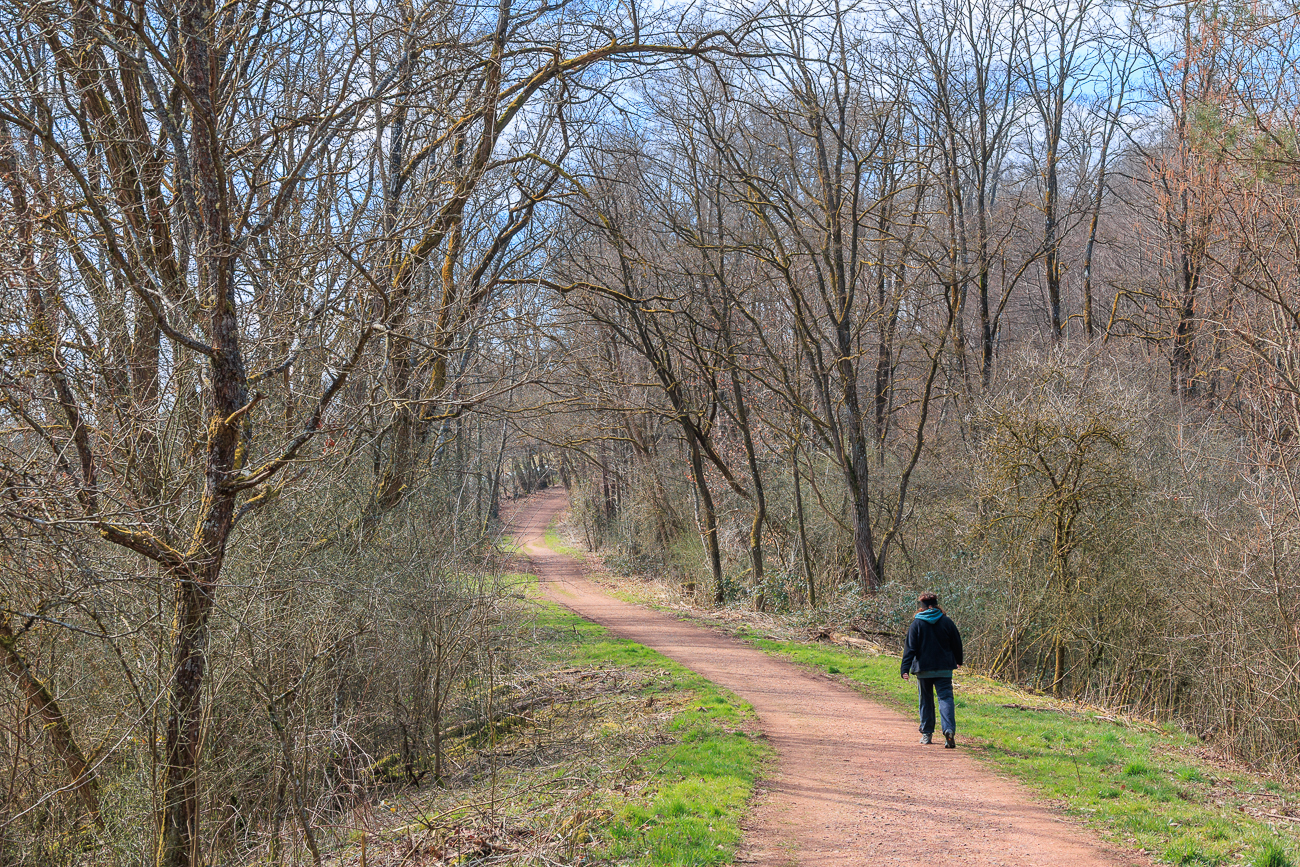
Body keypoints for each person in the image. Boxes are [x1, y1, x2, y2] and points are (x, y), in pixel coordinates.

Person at [900, 592, 964, 748]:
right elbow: (957, 643)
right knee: (946, 699)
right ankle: (948, 730)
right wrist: (959, 660)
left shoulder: (916, 624)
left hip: (923, 669)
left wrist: (905, 669)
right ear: (936, 605)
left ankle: (927, 734)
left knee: (926, 701)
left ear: (921, 607)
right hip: (944, 669)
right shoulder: (947, 622)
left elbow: (910, 648)